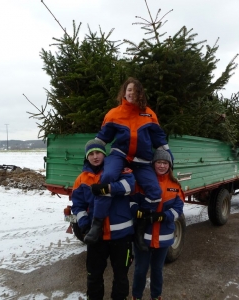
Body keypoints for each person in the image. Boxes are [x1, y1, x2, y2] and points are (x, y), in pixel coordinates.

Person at [85, 77, 173, 249]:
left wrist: (168, 154)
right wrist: (90, 155)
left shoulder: (149, 114)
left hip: (142, 160)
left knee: (155, 192)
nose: (132, 93)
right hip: (120, 155)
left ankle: (140, 231)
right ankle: (96, 225)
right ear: (124, 93)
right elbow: (103, 138)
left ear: (140, 93)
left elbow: (159, 138)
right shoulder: (114, 113)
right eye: (129, 90)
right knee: (108, 176)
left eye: (135, 90)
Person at [71, 139, 135, 300]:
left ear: (104, 154)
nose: (95, 157)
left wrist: (108, 188)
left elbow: (130, 186)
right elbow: (78, 206)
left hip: (121, 236)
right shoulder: (81, 179)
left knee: (121, 277)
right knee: (94, 277)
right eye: (91, 154)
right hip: (97, 237)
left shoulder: (117, 171)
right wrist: (85, 225)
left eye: (98, 152)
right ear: (87, 157)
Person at [131, 149, 184, 300]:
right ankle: (136, 296)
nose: (162, 166)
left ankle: (156, 296)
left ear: (170, 165)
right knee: (140, 270)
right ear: (153, 164)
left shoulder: (175, 185)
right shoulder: (142, 182)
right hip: (143, 236)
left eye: (165, 163)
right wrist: (136, 210)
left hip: (163, 236)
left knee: (157, 270)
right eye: (159, 162)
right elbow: (132, 200)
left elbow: (178, 209)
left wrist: (163, 216)